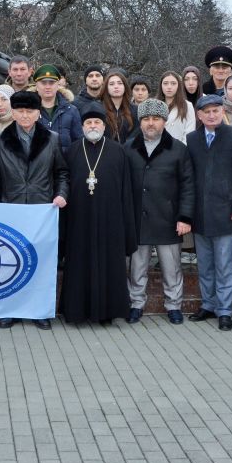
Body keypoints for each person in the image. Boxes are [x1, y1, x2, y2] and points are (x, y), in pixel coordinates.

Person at [0, 90, 68, 329]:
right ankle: (9, 309)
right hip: (10, 209)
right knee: (9, 261)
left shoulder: (52, 138)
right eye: (20, 111)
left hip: (41, 211)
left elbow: (61, 172)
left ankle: (39, 311)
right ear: (13, 112)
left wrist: (61, 194)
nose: (24, 115)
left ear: (38, 113)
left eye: (29, 111)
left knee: (41, 263)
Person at [60, 104, 136, 325]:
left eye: (97, 123)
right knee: (79, 264)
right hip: (79, 220)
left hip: (110, 221)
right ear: (82, 126)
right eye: (88, 123)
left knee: (109, 265)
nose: (93, 126)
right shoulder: (73, 150)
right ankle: (76, 313)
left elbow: (126, 191)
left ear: (104, 126)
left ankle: (107, 313)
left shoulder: (118, 151)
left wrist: (125, 226)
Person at [124, 98, 194, 324]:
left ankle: (174, 305)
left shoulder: (178, 149)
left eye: (155, 119)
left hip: (168, 219)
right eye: (146, 119)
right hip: (137, 219)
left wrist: (184, 216)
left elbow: (188, 186)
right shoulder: (128, 148)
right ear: (140, 121)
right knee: (137, 268)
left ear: (164, 121)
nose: (150, 123)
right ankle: (136, 303)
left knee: (171, 268)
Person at [185, 94, 232, 331]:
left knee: (224, 265)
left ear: (222, 112)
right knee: (205, 264)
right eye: (207, 112)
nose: (212, 115)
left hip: (227, 213)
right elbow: (189, 177)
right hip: (201, 213)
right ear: (200, 116)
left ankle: (224, 310)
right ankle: (208, 304)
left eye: (216, 111)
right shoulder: (192, 139)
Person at [34, 64, 82, 152]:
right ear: (36, 86)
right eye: (43, 83)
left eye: (51, 82)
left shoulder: (71, 110)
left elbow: (79, 143)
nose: (47, 87)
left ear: (57, 85)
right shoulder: (28, 111)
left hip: (65, 164)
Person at [100, 69, 138, 143]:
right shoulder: (99, 109)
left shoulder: (135, 110)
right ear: (106, 88)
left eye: (120, 83)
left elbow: (136, 135)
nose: (116, 86)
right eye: (111, 84)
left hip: (128, 152)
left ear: (125, 86)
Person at [157, 71, 195, 144]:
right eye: (165, 83)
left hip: (179, 150)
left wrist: (180, 151)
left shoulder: (187, 106)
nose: (169, 87)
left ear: (178, 86)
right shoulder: (154, 104)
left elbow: (189, 133)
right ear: (161, 85)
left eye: (173, 83)